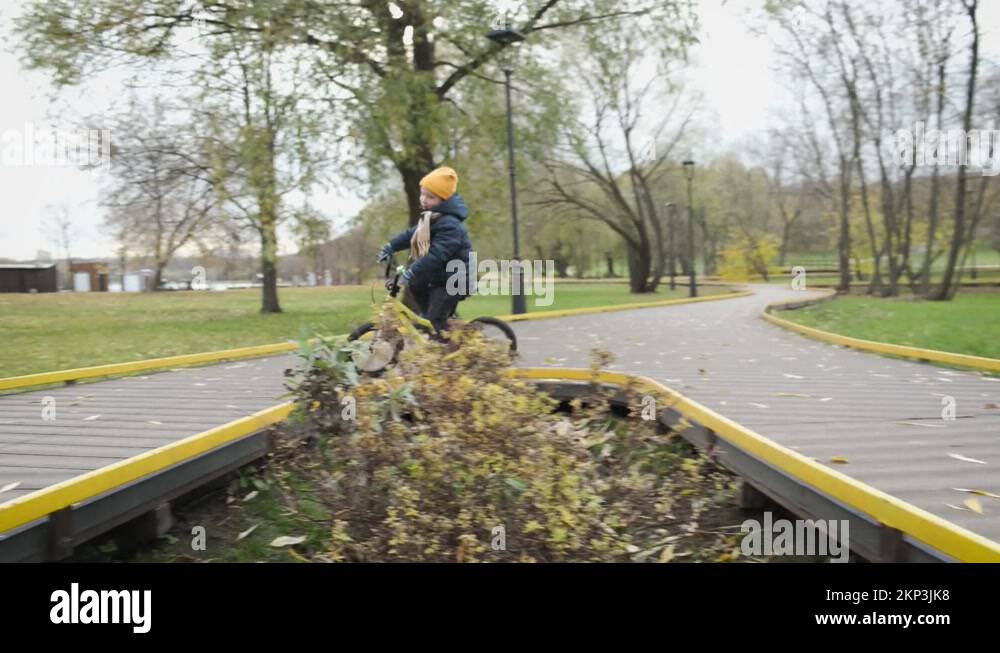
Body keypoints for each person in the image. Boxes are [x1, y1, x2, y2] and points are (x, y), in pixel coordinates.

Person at [377, 166, 473, 333]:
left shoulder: (450, 225)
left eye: (431, 197)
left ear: (444, 200)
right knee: (416, 284)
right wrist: (391, 247)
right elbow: (410, 234)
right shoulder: (432, 217)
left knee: (435, 320)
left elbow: (436, 255)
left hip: (454, 280)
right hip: (441, 276)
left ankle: (440, 342)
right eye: (422, 194)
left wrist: (412, 270)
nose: (424, 200)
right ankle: (434, 320)